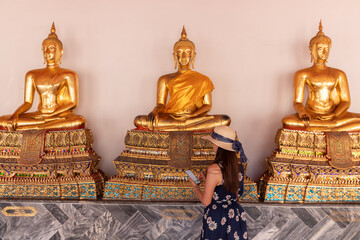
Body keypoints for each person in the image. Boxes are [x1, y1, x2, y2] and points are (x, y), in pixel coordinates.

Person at [134, 26, 230, 131]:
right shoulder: (164, 79)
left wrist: (193, 115)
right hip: (171, 117)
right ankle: (184, 125)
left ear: (193, 55)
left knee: (225, 119)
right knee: (138, 120)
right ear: (174, 56)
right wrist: (153, 112)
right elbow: (161, 104)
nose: (184, 56)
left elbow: (207, 105)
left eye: (188, 52)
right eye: (179, 52)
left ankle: (181, 125)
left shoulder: (203, 79)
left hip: (194, 117)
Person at [0, 23, 86, 131]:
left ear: (61, 52)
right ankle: (39, 126)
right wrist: (15, 114)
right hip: (39, 115)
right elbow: (28, 103)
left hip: (57, 116)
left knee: (79, 120)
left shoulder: (69, 75)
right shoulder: (32, 74)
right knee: (3, 120)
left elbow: (73, 103)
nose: (47, 52)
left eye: (51, 48)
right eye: (44, 49)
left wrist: (54, 114)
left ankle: (34, 127)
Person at [282, 21, 360, 131]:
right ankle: (333, 128)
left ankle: (326, 127)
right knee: (287, 121)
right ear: (311, 49)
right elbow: (297, 102)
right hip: (312, 115)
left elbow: (346, 102)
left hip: (335, 116)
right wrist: (303, 113)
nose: (324, 52)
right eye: (320, 48)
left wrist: (333, 115)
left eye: (327, 49)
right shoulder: (302, 74)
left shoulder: (339, 74)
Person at [189, 126, 248, 240]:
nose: (212, 145)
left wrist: (195, 187)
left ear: (218, 146)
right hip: (235, 214)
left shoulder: (214, 169)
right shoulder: (238, 165)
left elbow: (206, 201)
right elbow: (229, 189)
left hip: (218, 216)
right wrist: (207, 181)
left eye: (213, 142)